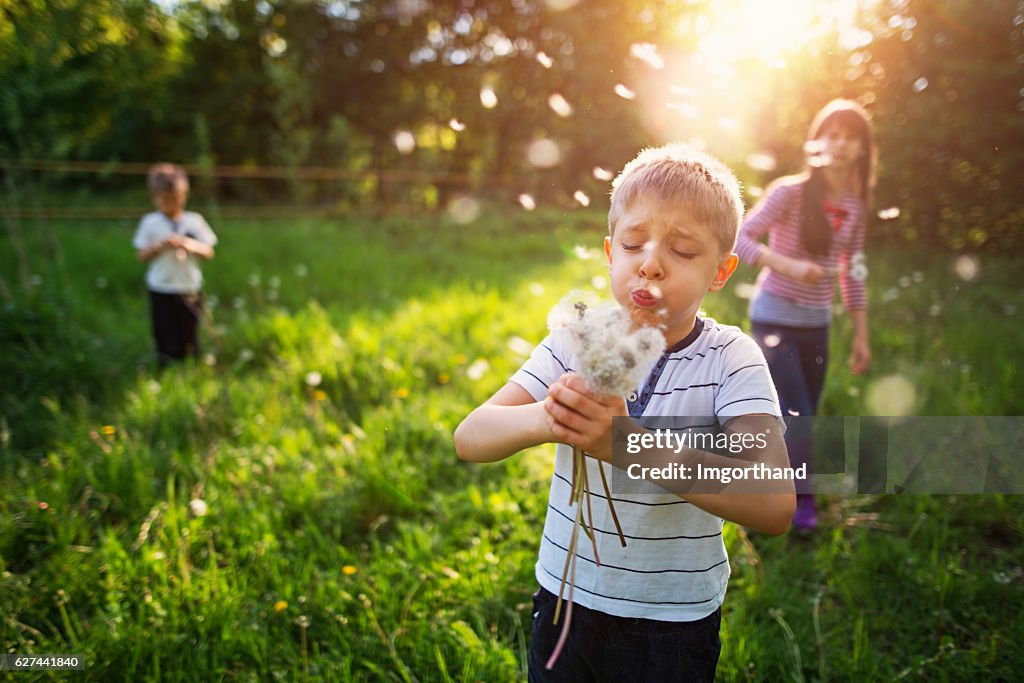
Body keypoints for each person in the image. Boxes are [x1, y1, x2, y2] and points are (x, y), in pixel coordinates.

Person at [455, 144, 795, 681]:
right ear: (612, 253)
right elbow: (471, 437)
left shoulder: (731, 360)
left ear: (720, 272)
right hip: (564, 602)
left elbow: (772, 501)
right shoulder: (576, 342)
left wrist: (623, 444)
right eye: (635, 243)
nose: (652, 262)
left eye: (683, 251)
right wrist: (550, 418)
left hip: (669, 624)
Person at [734, 99, 876, 530]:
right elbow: (740, 237)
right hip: (774, 318)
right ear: (817, 141)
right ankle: (801, 501)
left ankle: (766, 486)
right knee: (798, 415)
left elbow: (853, 270)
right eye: (831, 134)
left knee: (802, 413)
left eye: (850, 136)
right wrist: (789, 265)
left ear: (862, 149)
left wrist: (861, 334)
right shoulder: (788, 193)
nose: (840, 143)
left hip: (817, 324)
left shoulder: (854, 207)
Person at [132, 163, 217, 367]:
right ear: (154, 197)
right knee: (164, 332)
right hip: (161, 288)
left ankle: (192, 368)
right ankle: (166, 367)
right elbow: (141, 256)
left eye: (178, 199)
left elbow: (209, 251)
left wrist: (190, 245)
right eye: (167, 200)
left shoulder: (194, 221)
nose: (173, 204)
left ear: (185, 194)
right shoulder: (150, 223)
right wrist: (160, 246)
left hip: (190, 287)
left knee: (190, 332)